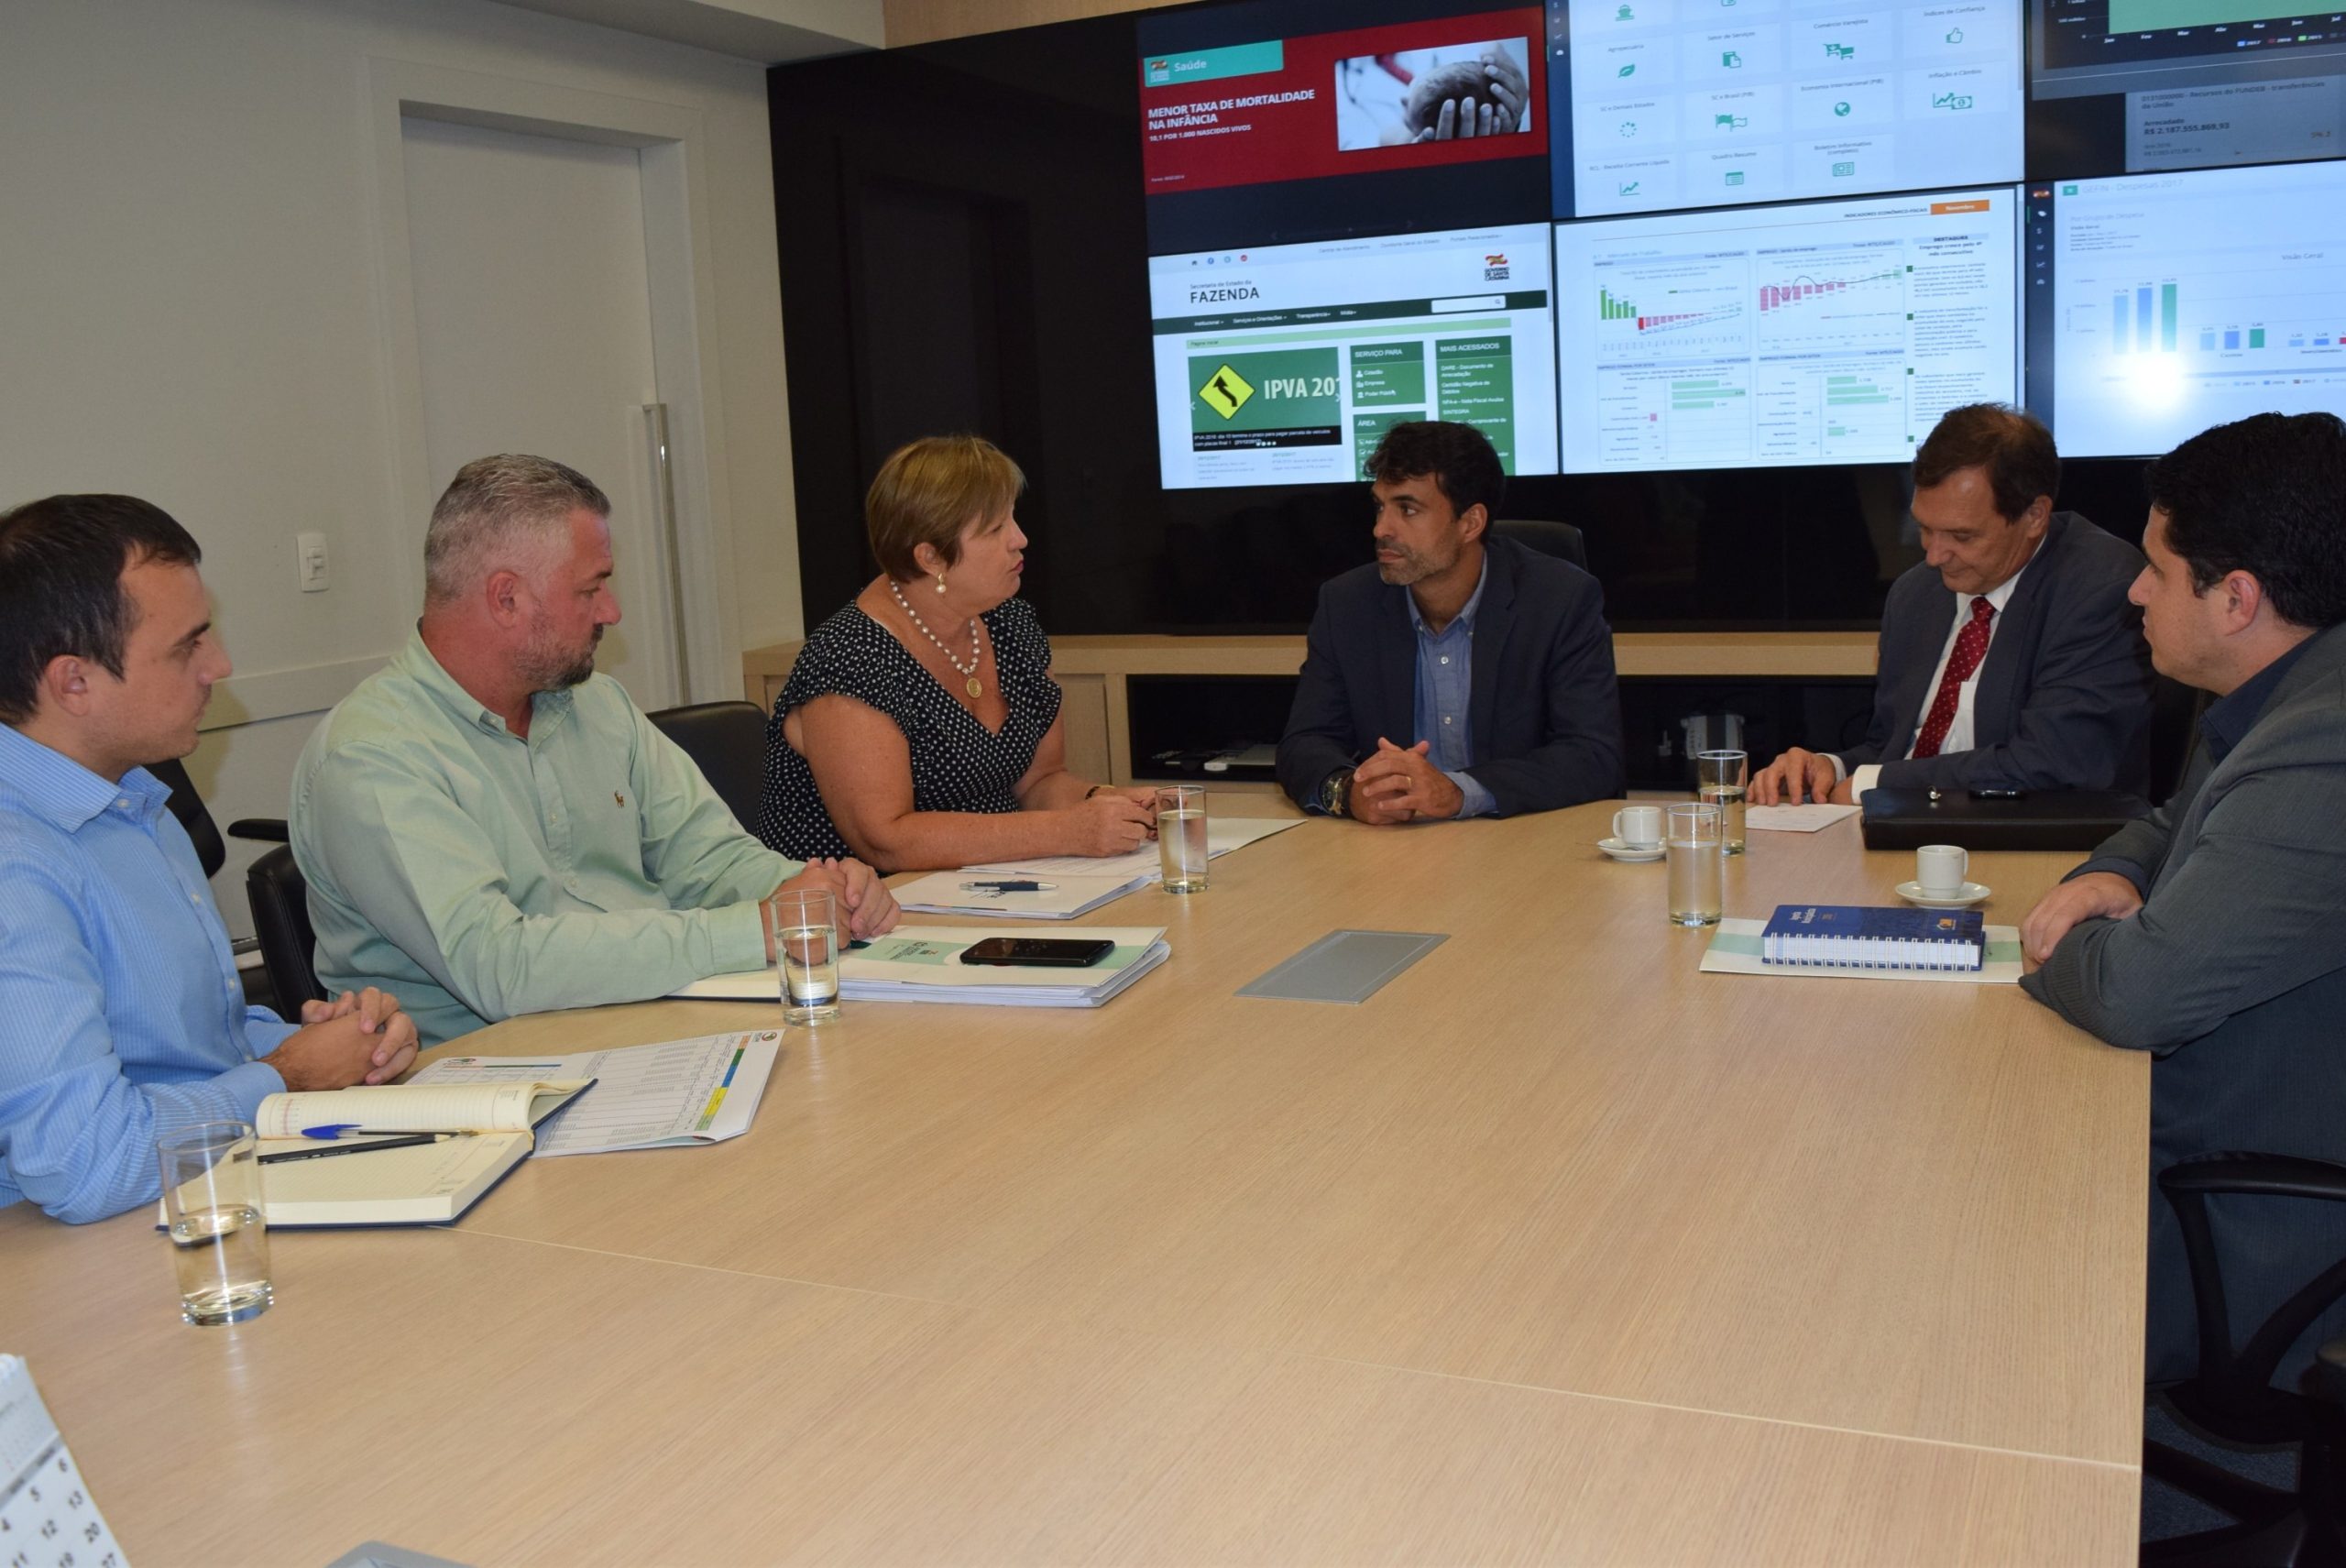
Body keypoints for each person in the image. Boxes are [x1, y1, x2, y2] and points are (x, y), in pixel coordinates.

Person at [292, 455, 897, 1048]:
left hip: (654, 1031)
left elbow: (707, 859)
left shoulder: (596, 704)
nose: (612, 611)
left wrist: (817, 891)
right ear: (506, 599)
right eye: (591, 589)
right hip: (492, 1081)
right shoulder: (372, 756)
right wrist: (761, 928)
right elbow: (502, 967)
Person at [2018, 411, 2346, 1386]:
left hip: (2251, 1219)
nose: (2131, 589)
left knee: (1946, 1242)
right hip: (2211, 1128)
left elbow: (2135, 994)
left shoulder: (2322, 744)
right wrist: (2107, 876)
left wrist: (2050, 944)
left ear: (2236, 597)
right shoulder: (2281, 683)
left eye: (2155, 571)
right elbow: (2173, 820)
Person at [0, 495, 417, 1223]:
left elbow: (193, 1043)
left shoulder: (135, 798)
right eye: (186, 646)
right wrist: (285, 1075)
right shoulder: (17, 865)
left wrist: (327, 1043)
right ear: (74, 682)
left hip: (201, 1190)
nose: (218, 665)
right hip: (74, 1256)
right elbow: (85, 1162)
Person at [754, 435, 1157, 873]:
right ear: (930, 557)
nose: (1020, 539)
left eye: (1013, 519)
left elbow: (1040, 782)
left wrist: (1106, 802)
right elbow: (885, 840)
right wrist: (1066, 831)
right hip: (860, 911)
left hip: (981, 887)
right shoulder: (851, 656)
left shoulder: (1011, 625)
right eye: (995, 529)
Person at [1749, 404, 2153, 806]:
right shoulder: (1917, 594)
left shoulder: (2099, 586)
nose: (1934, 555)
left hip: (2033, 839)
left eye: (1962, 536)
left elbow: (2054, 763)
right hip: (1912, 830)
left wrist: (1869, 783)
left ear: (2034, 516)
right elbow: (1895, 748)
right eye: (1925, 528)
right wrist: (1830, 768)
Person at [1276, 420, 1621, 821]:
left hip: (1522, 842)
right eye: (1379, 506)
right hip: (1395, 852)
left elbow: (1593, 755)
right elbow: (1305, 742)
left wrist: (1459, 792)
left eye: (1407, 509)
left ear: (1470, 523)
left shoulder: (1560, 599)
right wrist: (1348, 791)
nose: (1380, 529)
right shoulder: (1347, 604)